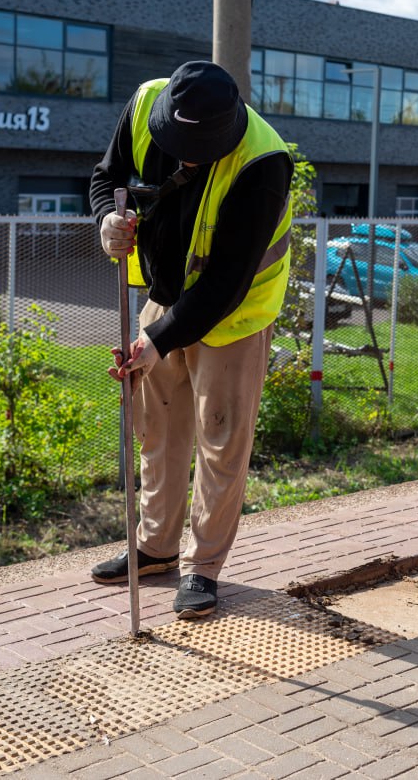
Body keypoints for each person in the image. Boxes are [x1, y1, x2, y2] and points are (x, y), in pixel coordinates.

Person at [88, 60, 293, 619]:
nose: (188, 156)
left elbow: (226, 282)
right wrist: (108, 219)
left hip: (236, 312)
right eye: (180, 143)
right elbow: (106, 179)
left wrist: (157, 340)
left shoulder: (264, 163)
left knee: (220, 438)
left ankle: (201, 569)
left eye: (201, 148)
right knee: (157, 426)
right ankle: (155, 547)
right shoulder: (143, 104)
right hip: (163, 293)